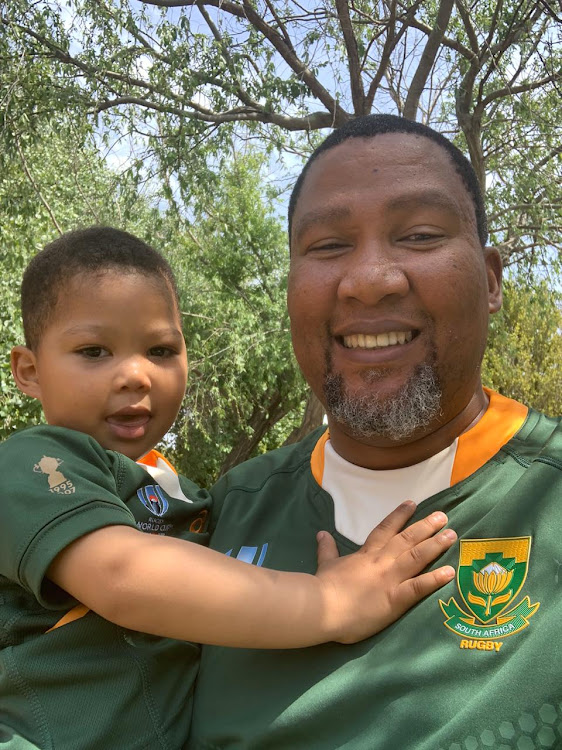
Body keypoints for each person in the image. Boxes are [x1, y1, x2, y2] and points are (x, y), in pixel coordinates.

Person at [0, 226, 456, 750]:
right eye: (94, 351)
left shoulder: (182, 491)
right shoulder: (32, 463)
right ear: (29, 372)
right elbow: (122, 576)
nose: (136, 375)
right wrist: (328, 601)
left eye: (160, 350)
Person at [189, 115, 562, 750]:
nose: (369, 280)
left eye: (419, 235)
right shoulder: (228, 510)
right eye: (329, 246)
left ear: (492, 279)